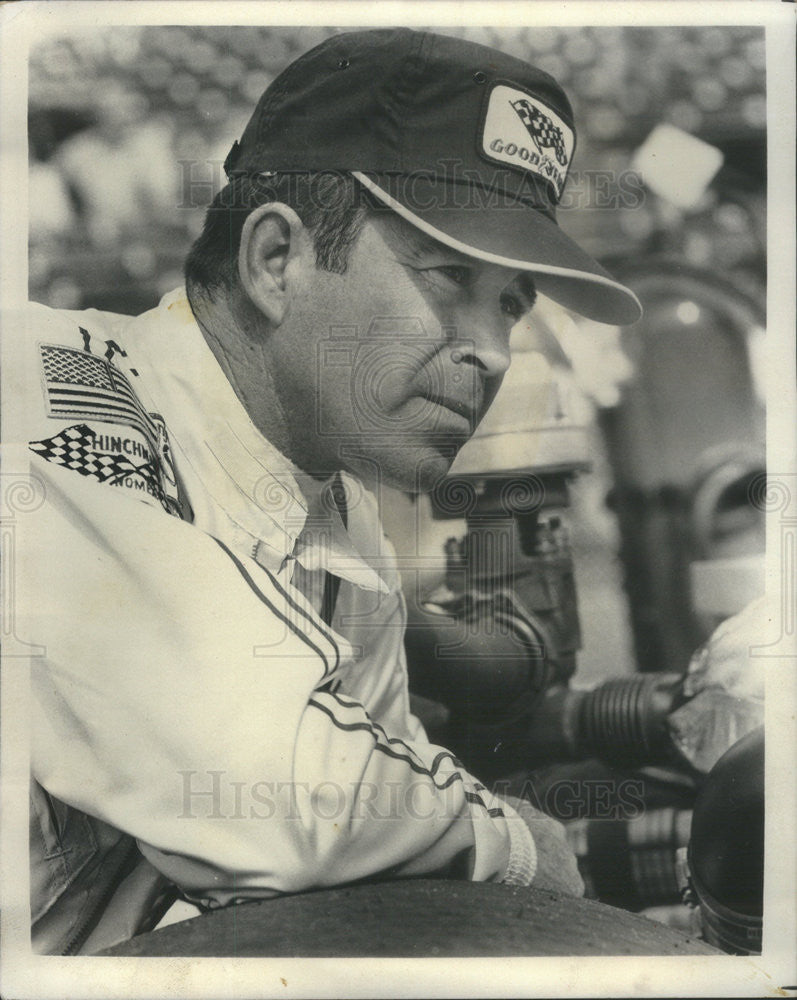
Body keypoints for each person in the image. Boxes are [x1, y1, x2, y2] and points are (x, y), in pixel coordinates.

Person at [13, 28, 642, 955]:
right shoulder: (46, 386)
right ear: (276, 260)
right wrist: (520, 846)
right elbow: (288, 800)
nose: (494, 351)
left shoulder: (340, 521)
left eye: (511, 304)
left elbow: (375, 841)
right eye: (450, 280)